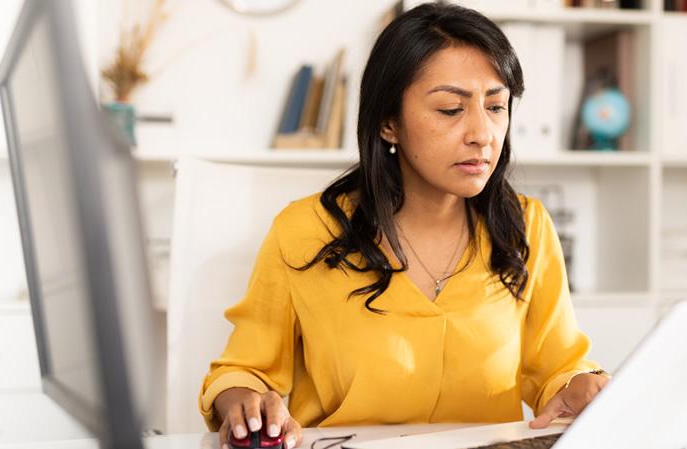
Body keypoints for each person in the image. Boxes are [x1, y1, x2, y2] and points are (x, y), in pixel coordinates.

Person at [198, 4, 609, 449]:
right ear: (388, 123)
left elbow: (558, 367)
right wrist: (243, 402)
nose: (483, 133)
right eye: (451, 109)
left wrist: (578, 385)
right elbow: (243, 370)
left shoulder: (526, 226)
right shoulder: (304, 231)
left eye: (495, 106)